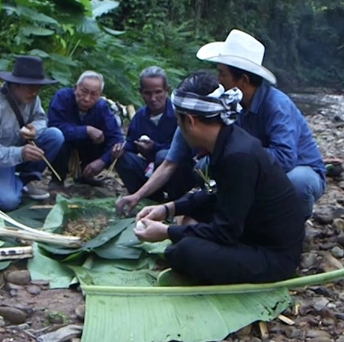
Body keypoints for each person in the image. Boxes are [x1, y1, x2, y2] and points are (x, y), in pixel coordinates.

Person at [117, 29, 325, 217]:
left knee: (298, 183)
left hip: (297, 168)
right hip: (252, 169)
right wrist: (137, 195)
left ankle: (293, 221)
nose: (218, 79)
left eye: (222, 74)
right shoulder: (224, 100)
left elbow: (285, 159)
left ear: (242, 80)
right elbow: (171, 161)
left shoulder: (276, 106)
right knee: (203, 168)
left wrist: (235, 157)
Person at [133, 71, 306, 285]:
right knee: (191, 224)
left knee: (182, 252)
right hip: (250, 229)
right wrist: (168, 208)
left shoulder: (238, 156)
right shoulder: (226, 141)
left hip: (272, 256)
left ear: (190, 121)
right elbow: (214, 193)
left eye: (179, 121)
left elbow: (225, 231)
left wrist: (167, 231)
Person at [0, 56, 64, 211]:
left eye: (37, 87)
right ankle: (2, 183)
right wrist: (21, 153)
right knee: (8, 201)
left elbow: (41, 119)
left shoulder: (32, 97)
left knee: (55, 136)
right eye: (30, 87)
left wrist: (35, 128)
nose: (35, 92)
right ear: (14, 84)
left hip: (17, 152)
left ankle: (25, 181)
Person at [110, 67, 193, 199]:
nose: (153, 98)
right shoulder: (140, 116)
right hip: (149, 168)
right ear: (140, 92)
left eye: (158, 92)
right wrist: (121, 148)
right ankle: (144, 197)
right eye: (147, 93)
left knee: (162, 156)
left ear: (167, 90)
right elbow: (131, 143)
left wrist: (154, 148)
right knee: (123, 158)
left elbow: (186, 149)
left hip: (176, 170)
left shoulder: (178, 115)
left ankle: (174, 199)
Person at [48, 71, 124, 186]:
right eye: (83, 92)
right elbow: (54, 126)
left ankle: (86, 176)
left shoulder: (102, 107)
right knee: (56, 138)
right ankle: (57, 180)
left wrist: (102, 161)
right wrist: (86, 130)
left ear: (99, 95)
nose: (87, 99)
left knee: (109, 144)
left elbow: (116, 137)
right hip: (65, 145)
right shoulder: (62, 97)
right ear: (75, 88)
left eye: (93, 95)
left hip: (87, 149)